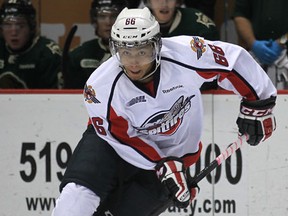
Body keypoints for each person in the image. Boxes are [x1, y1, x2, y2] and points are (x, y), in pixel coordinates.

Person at [52, 7, 277, 216]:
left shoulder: (185, 53)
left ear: (157, 45)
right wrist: (160, 165)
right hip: (111, 144)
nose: (134, 62)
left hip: (172, 155)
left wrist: (259, 103)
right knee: (77, 195)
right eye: (125, 52)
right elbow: (121, 136)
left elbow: (232, 60)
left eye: (142, 51)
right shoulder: (99, 86)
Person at [64, 0, 129, 89]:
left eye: (114, 16)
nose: (108, 22)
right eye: (102, 17)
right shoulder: (79, 55)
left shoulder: (135, 54)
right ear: (94, 20)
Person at [0, 0, 62, 89]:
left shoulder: (47, 54)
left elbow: (56, 98)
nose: (13, 32)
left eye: (20, 25)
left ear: (31, 27)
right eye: (7, 25)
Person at [233, 0, 288, 89]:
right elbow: (240, 15)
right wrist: (253, 43)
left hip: (285, 54)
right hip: (254, 55)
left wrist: (282, 42)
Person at [143, 0, 219, 40]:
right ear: (149, 1)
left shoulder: (198, 24)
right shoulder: (137, 23)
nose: (164, 4)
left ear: (177, 1)